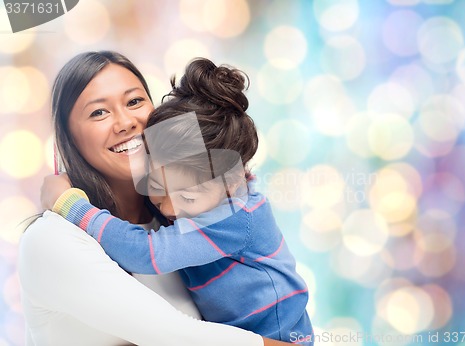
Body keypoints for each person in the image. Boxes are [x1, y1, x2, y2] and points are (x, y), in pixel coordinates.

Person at [18, 50, 294, 346]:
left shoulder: (183, 219)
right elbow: (177, 337)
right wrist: (70, 206)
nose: (125, 122)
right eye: (99, 112)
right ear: (68, 139)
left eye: (134, 101)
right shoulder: (52, 239)